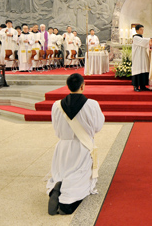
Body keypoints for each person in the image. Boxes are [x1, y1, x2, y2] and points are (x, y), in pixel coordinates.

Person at [47, 73, 105, 215]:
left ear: (67, 87)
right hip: (82, 147)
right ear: (82, 86)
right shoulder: (92, 104)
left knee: (63, 172)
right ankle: (66, 203)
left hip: (63, 147)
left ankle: (57, 187)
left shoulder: (56, 106)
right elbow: (98, 126)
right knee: (79, 177)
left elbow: (56, 128)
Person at [131, 24, 150, 92]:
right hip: (138, 57)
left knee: (144, 69)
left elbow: (145, 42)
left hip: (143, 56)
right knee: (138, 70)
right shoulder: (135, 37)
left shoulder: (141, 38)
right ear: (137, 30)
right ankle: (136, 86)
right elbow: (144, 42)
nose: (142, 31)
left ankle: (143, 85)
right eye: (141, 29)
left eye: (143, 29)